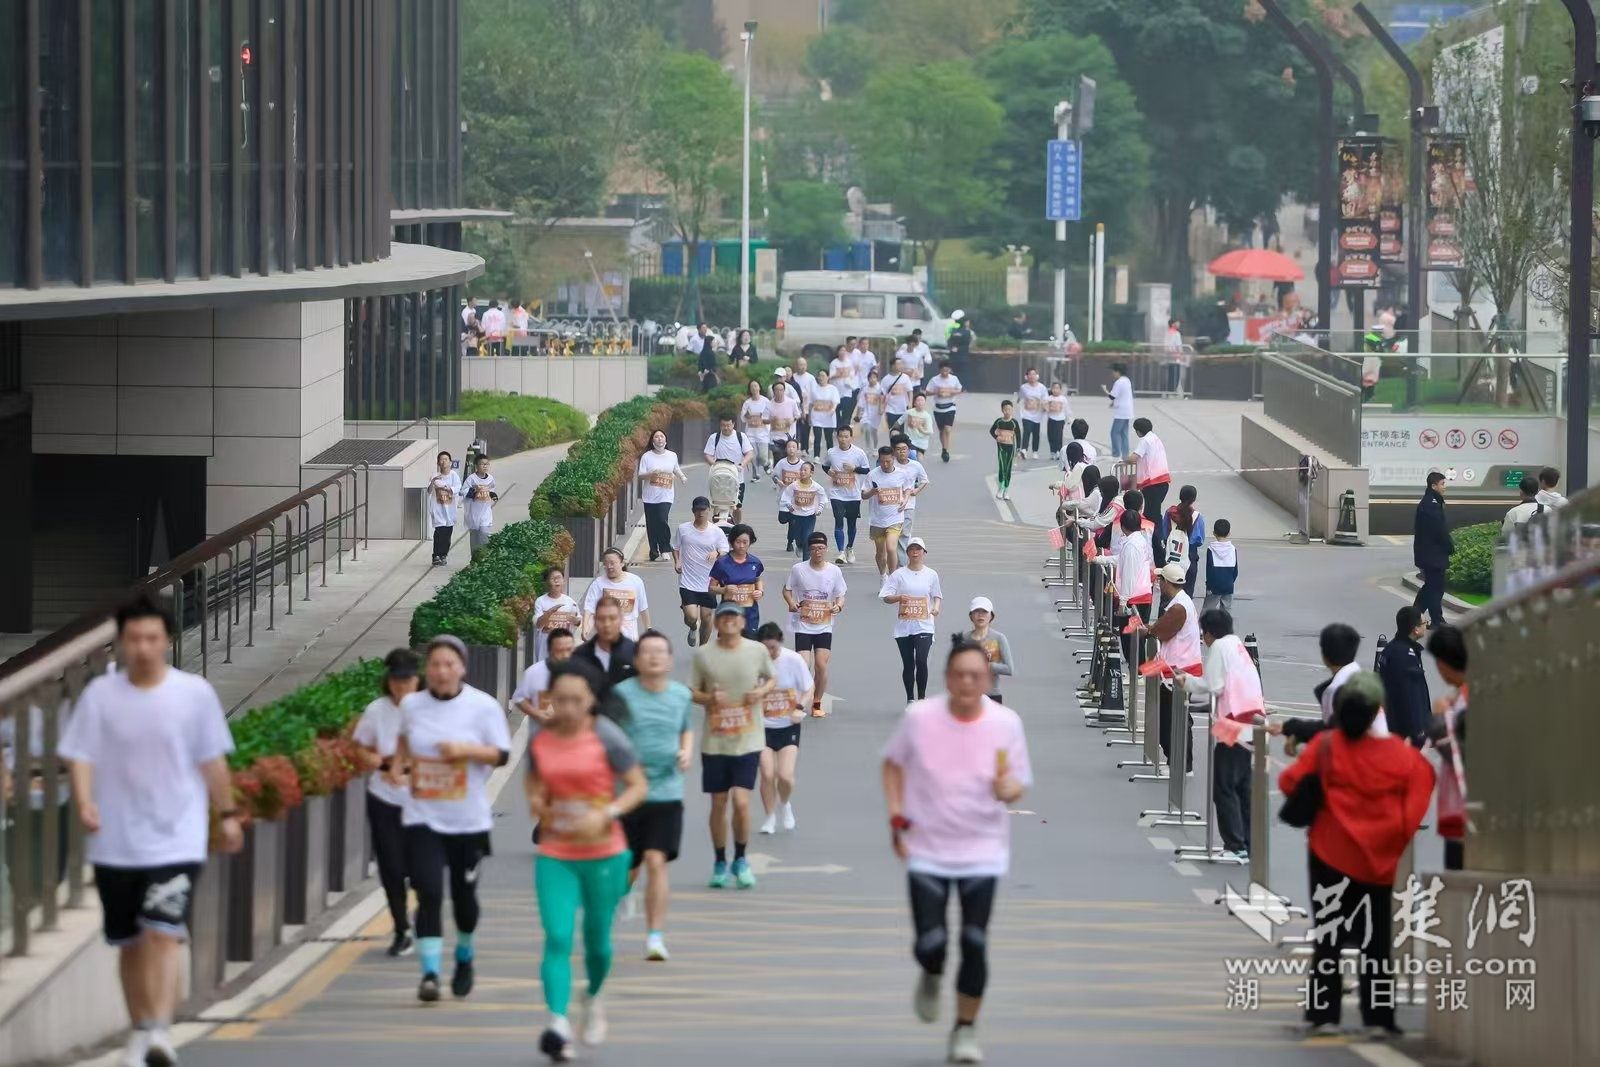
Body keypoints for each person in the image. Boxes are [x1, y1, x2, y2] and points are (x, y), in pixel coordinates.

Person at [61, 598, 242, 1067]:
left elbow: (212, 761)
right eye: (134, 638)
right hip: (116, 841)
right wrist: (84, 801)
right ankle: (140, 1027)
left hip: (176, 837)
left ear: (168, 640)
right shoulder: (100, 696)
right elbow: (80, 755)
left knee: (162, 932)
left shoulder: (194, 694)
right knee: (130, 941)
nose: (143, 647)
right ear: (122, 643)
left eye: (152, 638)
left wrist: (227, 813)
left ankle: (158, 1032)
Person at [882, 640, 1032, 1066]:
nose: (967, 682)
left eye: (975, 675)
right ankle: (930, 973)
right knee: (932, 941)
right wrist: (896, 817)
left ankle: (965, 1029)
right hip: (927, 847)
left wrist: (1010, 789)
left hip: (981, 850)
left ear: (987, 678)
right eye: (959, 674)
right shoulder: (919, 718)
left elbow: (1017, 780)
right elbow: (893, 765)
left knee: (974, 940)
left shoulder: (1006, 724)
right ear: (947, 677)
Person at [1278, 673, 1433, 1039]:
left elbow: (1288, 783)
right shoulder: (1399, 753)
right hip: (1378, 862)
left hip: (1329, 854)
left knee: (1329, 937)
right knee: (1377, 941)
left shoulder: (1327, 746)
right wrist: (1399, 830)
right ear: (1378, 711)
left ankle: (1323, 1014)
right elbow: (1424, 781)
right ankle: (1379, 1017)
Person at [526, 656, 649, 1062]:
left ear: (591, 701)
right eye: (559, 701)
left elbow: (636, 787)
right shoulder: (541, 740)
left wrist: (608, 812)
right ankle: (557, 1024)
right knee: (558, 937)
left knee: (598, 943)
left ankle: (593, 995)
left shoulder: (608, 737)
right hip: (556, 853)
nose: (566, 710)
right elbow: (534, 781)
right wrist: (538, 804)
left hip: (604, 853)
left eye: (575, 701)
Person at [392, 635, 512, 1003]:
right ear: (427, 670)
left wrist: (466, 750)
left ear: (461, 667)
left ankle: (464, 953)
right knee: (428, 891)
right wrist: (398, 770)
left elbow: (502, 755)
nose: (442, 671)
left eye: (449, 664)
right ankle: (429, 973)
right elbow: (403, 745)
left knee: (463, 899)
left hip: (467, 821)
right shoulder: (412, 705)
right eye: (435, 665)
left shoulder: (482, 706)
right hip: (423, 817)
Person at [614, 631, 696, 963]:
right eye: (647, 652)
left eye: (660, 652)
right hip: (630, 794)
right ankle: (622, 893)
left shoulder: (680, 695)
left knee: (656, 860)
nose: (654, 657)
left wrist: (686, 751)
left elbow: (686, 727)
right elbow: (609, 736)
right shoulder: (621, 694)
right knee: (628, 865)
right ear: (636, 660)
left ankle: (655, 937)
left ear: (670, 659)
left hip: (667, 791)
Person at [691, 602, 777, 889]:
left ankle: (740, 858)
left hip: (748, 738)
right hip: (715, 741)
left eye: (734, 617)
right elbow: (694, 691)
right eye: (724, 616)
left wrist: (760, 692)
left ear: (742, 623)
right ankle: (719, 860)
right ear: (716, 623)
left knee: (741, 802)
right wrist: (709, 699)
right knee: (718, 803)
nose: (729, 621)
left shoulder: (757, 651)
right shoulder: (704, 655)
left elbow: (771, 678)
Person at [354, 649, 422, 957]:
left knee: (421, 869)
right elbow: (360, 749)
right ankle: (400, 928)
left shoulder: (429, 709)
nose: (401, 686)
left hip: (422, 801)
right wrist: (378, 761)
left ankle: (426, 917)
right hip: (383, 798)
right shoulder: (376, 711)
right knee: (391, 867)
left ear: (417, 680)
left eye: (406, 680)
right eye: (396, 680)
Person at [1196, 609, 1262, 857]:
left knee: (1223, 786)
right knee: (1242, 785)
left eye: (1204, 634)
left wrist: (1188, 683)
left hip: (1233, 722)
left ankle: (1235, 845)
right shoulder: (1236, 644)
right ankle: (1248, 841)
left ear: (1210, 633)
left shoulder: (1219, 648)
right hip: (1251, 720)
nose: (1203, 639)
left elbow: (1212, 685)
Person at [1143, 561, 1204, 773]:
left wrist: (1147, 630)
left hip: (1177, 671)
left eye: (1160, 580)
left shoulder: (1178, 608)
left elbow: (1162, 631)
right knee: (1170, 717)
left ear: (1167, 583)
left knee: (1175, 719)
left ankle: (1181, 764)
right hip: (1174, 668)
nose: (1158, 583)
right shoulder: (1182, 602)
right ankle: (1177, 761)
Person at [756, 622, 814, 834]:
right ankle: (770, 817)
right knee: (767, 773)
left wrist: (800, 707)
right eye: (765, 648)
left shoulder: (793, 660)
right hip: (761, 726)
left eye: (773, 648)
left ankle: (785, 804)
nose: (770, 652)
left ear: (780, 643)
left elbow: (808, 688)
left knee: (786, 776)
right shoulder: (753, 662)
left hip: (787, 724)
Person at [783, 531, 847, 716]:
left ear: (826, 549)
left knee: (821, 664)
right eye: (814, 548)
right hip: (803, 623)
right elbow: (787, 590)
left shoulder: (834, 571)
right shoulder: (798, 569)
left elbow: (840, 594)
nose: (818, 552)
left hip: (824, 625)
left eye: (821, 548)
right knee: (803, 664)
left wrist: (839, 606)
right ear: (809, 550)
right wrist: (791, 603)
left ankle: (817, 702)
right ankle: (802, 697)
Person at [1274, 623, 1365, 745]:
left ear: (1324, 655)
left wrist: (1290, 728)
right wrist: (1296, 733)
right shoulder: (1359, 677)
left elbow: (1335, 732)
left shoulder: (1339, 688)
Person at [1426, 624, 1469, 870]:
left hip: (1464, 813)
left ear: (1443, 664)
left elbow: (1461, 754)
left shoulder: (1466, 702)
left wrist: (1440, 721)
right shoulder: (1462, 695)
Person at [881, 537, 943, 701]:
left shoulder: (931, 574)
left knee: (921, 660)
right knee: (909, 664)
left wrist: (936, 608)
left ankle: (921, 699)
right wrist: (899, 598)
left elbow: (937, 596)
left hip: (924, 625)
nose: (915, 552)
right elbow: (886, 597)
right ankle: (910, 698)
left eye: (918, 549)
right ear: (907, 552)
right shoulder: (898, 574)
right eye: (912, 549)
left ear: (924, 552)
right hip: (904, 627)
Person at [671, 497, 730, 647]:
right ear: (693, 511)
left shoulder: (716, 532)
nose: (701, 513)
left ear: (709, 510)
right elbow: (675, 547)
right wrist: (677, 561)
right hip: (688, 579)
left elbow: (725, 550)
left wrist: (716, 553)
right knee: (691, 616)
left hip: (709, 582)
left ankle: (703, 649)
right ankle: (692, 627)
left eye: (704, 510)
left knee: (707, 617)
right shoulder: (683, 529)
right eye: (698, 510)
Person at [1377, 607, 1431, 747]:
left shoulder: (1393, 648)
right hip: (1403, 732)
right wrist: (1416, 732)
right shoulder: (1405, 655)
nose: (1427, 626)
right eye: (1425, 623)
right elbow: (1409, 696)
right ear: (1416, 629)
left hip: (1393, 726)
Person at [823, 424, 871, 564]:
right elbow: (825, 465)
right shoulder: (832, 452)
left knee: (851, 524)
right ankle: (841, 552)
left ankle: (849, 547)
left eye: (846, 436)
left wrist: (854, 468)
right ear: (837, 437)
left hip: (853, 494)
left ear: (851, 437)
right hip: (836, 493)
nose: (843, 439)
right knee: (838, 521)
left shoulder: (859, 453)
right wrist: (829, 472)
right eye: (840, 436)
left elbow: (867, 470)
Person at [708, 523, 765, 638]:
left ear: (750, 542)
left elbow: (757, 579)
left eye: (745, 542)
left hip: (750, 612)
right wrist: (724, 590)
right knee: (728, 645)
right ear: (732, 542)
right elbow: (711, 588)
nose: (741, 546)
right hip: (729, 612)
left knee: (750, 643)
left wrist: (760, 591)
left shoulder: (755, 562)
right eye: (738, 542)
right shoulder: (722, 563)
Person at [1411, 471, 1453, 628]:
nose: (1444, 487)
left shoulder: (1433, 501)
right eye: (1442, 484)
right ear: (1433, 485)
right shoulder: (1430, 504)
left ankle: (1414, 618)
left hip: (1431, 554)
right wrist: (1449, 546)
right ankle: (1435, 620)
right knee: (1435, 588)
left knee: (1431, 587)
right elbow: (1438, 530)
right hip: (1432, 554)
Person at [638, 430, 687, 563]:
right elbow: (640, 475)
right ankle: (654, 550)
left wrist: (682, 476)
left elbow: (675, 468)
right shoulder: (647, 456)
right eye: (656, 437)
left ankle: (665, 548)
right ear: (652, 441)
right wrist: (651, 474)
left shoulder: (672, 455)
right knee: (652, 524)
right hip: (650, 496)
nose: (659, 439)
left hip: (666, 495)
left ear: (666, 440)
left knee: (662, 520)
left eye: (661, 436)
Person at [865, 445, 914, 576]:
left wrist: (905, 499)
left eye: (888, 461)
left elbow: (908, 488)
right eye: (882, 461)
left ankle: (893, 578)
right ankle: (883, 575)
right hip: (877, 520)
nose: (885, 464)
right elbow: (863, 495)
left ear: (893, 458)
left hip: (895, 517)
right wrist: (872, 492)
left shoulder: (902, 474)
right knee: (881, 553)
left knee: (891, 548)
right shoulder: (872, 475)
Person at [582, 547, 650, 641]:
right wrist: (585, 628)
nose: (609, 566)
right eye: (606, 563)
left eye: (612, 563)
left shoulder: (635, 581)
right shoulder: (598, 583)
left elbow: (643, 608)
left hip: (629, 635)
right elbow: (589, 609)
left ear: (622, 563)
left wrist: (648, 629)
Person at [573, 598, 638, 697]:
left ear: (621, 619)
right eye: (601, 619)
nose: (607, 624)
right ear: (594, 621)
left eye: (612, 618)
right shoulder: (580, 655)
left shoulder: (636, 653)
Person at [514, 627, 577, 723]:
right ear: (550, 650)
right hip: (542, 732)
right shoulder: (534, 672)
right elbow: (519, 698)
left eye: (569, 650)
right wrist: (536, 713)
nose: (565, 655)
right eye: (560, 650)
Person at [960, 597, 1014, 702]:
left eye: (984, 612)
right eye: (976, 611)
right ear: (971, 616)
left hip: (993, 695)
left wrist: (987, 666)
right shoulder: (964, 640)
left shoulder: (999, 638)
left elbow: (1009, 669)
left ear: (991, 616)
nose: (980, 615)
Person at [704, 416, 754, 523]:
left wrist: (742, 464)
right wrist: (715, 465)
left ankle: (737, 526)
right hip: (718, 479)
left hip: (737, 479)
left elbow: (749, 453)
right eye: (723, 425)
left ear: (733, 424)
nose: (726, 428)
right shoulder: (714, 437)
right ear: (720, 425)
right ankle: (717, 528)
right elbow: (708, 455)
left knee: (737, 506)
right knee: (717, 505)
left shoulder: (741, 437)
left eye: (728, 425)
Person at [1127, 417, 1171, 536]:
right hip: (1162, 482)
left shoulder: (1145, 440)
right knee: (1153, 512)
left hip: (1153, 484)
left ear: (1138, 431)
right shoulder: (1155, 438)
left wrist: (1125, 460)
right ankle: (1157, 538)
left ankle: (1156, 540)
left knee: (1152, 516)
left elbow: (1133, 458)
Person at [1160, 484, 1204, 595]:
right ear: (1194, 499)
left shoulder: (1169, 513)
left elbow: (1164, 534)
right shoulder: (1197, 517)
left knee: (1168, 594)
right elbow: (1199, 540)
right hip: (1189, 557)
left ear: (1180, 496)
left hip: (1171, 556)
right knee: (1186, 594)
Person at [778, 462, 827, 560]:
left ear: (811, 473)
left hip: (809, 517)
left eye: (805, 470)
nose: (802, 472)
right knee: (799, 539)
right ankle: (799, 546)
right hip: (796, 516)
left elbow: (823, 497)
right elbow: (786, 496)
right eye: (801, 470)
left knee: (807, 539)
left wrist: (820, 508)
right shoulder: (794, 485)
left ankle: (806, 562)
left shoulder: (816, 486)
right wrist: (788, 505)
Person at [893, 434, 931, 561]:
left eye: (904, 449)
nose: (901, 452)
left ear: (908, 450)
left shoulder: (915, 465)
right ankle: (892, 559)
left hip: (909, 505)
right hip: (890, 505)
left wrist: (916, 490)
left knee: (904, 534)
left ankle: (902, 564)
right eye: (898, 449)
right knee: (892, 536)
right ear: (894, 451)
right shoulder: (890, 464)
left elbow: (924, 480)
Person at [428, 450, 462, 566]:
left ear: (450, 462)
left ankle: (444, 554)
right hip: (438, 509)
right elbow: (432, 487)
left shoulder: (454, 476)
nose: (443, 462)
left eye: (446, 460)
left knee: (447, 534)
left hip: (450, 509)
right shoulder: (435, 476)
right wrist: (435, 482)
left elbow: (458, 487)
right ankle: (436, 555)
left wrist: (449, 488)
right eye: (441, 460)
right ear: (438, 462)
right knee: (439, 532)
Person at [461, 455, 499, 555]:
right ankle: (474, 559)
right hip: (473, 513)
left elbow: (492, 490)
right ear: (476, 466)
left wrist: (493, 496)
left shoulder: (490, 479)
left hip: (485, 512)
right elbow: (463, 492)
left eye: (486, 464)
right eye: (482, 464)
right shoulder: (471, 479)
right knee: (474, 538)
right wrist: (475, 491)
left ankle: (484, 557)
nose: (485, 466)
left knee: (484, 534)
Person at [1201, 519, 1238, 617]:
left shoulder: (1211, 549)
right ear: (1229, 533)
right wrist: (1230, 581)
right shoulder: (1233, 549)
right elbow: (1235, 570)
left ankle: (1202, 629)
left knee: (1208, 609)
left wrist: (1209, 586)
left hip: (1214, 586)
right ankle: (1225, 630)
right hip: (1228, 584)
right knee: (1226, 611)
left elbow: (1209, 570)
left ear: (1214, 533)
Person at [929, 361, 964, 463]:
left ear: (950, 370)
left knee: (947, 429)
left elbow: (959, 389)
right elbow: (927, 392)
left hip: (950, 407)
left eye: (947, 370)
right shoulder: (934, 380)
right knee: (941, 430)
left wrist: (950, 392)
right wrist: (937, 392)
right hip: (938, 408)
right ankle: (944, 448)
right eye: (943, 370)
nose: (945, 372)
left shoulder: (954, 379)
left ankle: (945, 450)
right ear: (940, 370)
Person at [766, 378, 801, 469]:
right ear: (773, 391)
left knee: (789, 461)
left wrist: (792, 420)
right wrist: (771, 420)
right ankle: (777, 480)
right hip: (775, 438)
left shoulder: (791, 403)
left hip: (789, 437)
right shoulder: (769, 404)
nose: (779, 392)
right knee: (778, 461)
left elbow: (797, 415)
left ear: (784, 391)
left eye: (781, 390)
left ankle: (789, 479)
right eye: (777, 390)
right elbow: (764, 420)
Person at [989, 401, 1021, 501]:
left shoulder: (1014, 422)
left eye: (1009, 409)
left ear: (1012, 410)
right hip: (1001, 447)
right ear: (1002, 410)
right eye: (1005, 409)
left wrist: (1018, 449)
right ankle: (1000, 489)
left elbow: (1019, 436)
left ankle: (1006, 490)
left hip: (1010, 448)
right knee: (1002, 467)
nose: (1007, 411)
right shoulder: (999, 421)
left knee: (1008, 469)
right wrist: (996, 437)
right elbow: (991, 430)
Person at [807, 368, 842, 454]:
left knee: (828, 438)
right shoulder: (814, 389)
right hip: (816, 416)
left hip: (828, 417)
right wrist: (809, 416)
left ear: (828, 377)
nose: (820, 377)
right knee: (817, 437)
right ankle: (816, 456)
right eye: (819, 375)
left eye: (823, 375)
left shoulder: (833, 389)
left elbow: (836, 402)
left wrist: (833, 409)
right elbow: (811, 403)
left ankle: (830, 455)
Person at [1016, 367, 1048, 460]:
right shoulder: (1023, 387)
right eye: (1030, 374)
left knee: (1036, 433)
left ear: (1037, 376)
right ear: (1026, 376)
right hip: (1026, 414)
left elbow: (1045, 399)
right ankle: (1024, 450)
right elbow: (1019, 398)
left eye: (1034, 374)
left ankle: (1035, 451)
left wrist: (1044, 406)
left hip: (1038, 414)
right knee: (1027, 431)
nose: (1032, 376)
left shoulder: (1042, 388)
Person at [1105, 363, 1135, 458]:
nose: (1112, 373)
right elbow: (1121, 396)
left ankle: (1116, 453)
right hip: (1127, 410)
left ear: (1118, 372)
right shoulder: (1127, 380)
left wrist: (1105, 390)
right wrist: (1114, 403)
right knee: (1124, 433)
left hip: (1121, 412)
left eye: (1113, 371)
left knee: (1114, 432)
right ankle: (1125, 454)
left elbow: (1112, 396)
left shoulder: (1119, 382)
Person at [881, 355, 916, 433]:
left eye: (901, 364)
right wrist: (881, 407)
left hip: (902, 409)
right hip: (890, 409)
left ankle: (899, 444)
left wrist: (910, 403)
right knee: (892, 430)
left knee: (901, 430)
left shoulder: (905, 378)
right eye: (898, 364)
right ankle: (893, 445)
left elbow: (910, 391)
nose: (901, 366)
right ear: (892, 366)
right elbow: (882, 394)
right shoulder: (886, 379)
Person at [828, 344, 859, 427]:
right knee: (837, 410)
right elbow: (830, 376)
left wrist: (850, 378)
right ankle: (837, 427)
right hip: (837, 391)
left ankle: (845, 426)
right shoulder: (834, 363)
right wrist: (839, 374)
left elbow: (852, 373)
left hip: (847, 390)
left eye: (844, 351)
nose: (842, 352)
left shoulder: (849, 362)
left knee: (846, 409)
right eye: (841, 350)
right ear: (838, 352)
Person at [791, 355, 818, 449]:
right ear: (796, 365)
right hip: (795, 407)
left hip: (807, 407)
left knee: (805, 429)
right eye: (800, 364)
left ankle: (805, 448)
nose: (801, 366)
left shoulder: (811, 378)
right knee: (796, 429)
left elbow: (814, 393)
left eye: (804, 364)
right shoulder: (793, 377)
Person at [856, 368, 885, 452]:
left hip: (876, 413)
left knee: (874, 431)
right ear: (868, 379)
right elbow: (861, 402)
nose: (872, 379)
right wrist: (858, 415)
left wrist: (881, 409)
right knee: (867, 429)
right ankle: (868, 447)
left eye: (874, 377)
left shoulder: (880, 388)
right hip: (866, 412)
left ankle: (875, 447)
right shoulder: (865, 389)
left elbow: (883, 400)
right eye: (870, 378)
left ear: (877, 378)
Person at [905, 393, 935, 460]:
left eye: (922, 400)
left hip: (922, 442)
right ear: (914, 403)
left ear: (925, 403)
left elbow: (930, 431)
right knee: (912, 456)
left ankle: (918, 469)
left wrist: (920, 428)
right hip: (911, 440)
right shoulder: (909, 413)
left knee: (919, 460)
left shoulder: (927, 416)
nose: (920, 402)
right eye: (918, 400)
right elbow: (899, 422)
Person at [1044, 382, 1070, 458]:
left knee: (1058, 436)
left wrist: (1068, 418)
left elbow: (1066, 409)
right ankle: (1053, 451)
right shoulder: (1049, 398)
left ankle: (1059, 451)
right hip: (1051, 419)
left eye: (1057, 388)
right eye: (1054, 388)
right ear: (1051, 389)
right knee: (1051, 435)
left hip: (1060, 419)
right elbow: (1044, 407)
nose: (1055, 390)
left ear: (1060, 390)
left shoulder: (1063, 399)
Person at [691, 322, 719, 392]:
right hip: (710, 376)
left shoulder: (703, 352)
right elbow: (713, 364)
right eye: (713, 342)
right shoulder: (710, 353)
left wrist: (701, 372)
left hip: (704, 375)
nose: (714, 343)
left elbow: (700, 364)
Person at [1163, 318, 1187, 395]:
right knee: (1176, 375)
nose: (1179, 324)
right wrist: (1181, 355)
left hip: (1169, 357)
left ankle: (1170, 392)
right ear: (1173, 324)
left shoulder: (1167, 333)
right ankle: (1173, 391)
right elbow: (1179, 346)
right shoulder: (1176, 334)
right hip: (1176, 357)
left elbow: (1166, 346)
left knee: (1170, 374)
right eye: (1177, 323)